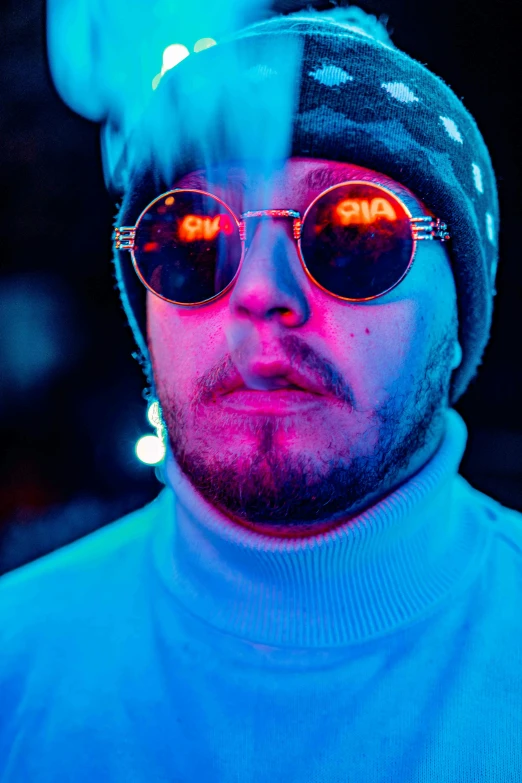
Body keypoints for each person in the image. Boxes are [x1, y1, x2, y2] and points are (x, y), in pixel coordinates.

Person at [1, 6, 521, 781]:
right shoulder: (16, 661)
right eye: (192, 237)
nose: (261, 294)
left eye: (354, 231)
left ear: (459, 320)